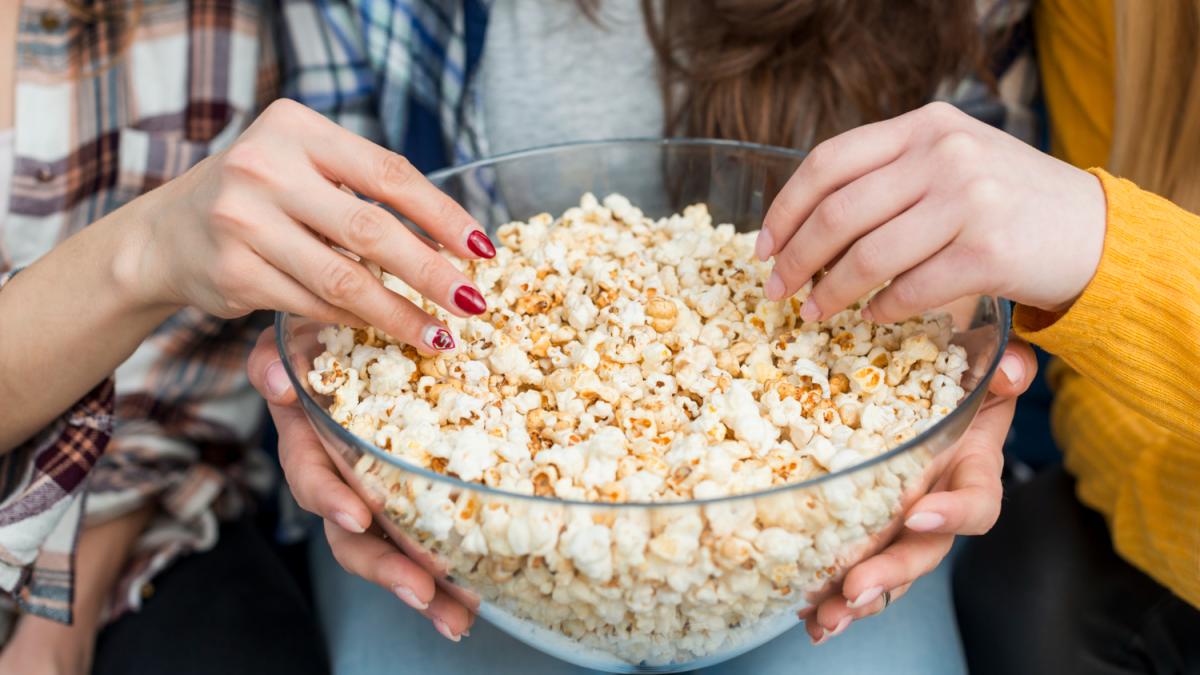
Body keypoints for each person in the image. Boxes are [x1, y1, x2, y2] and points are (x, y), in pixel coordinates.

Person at [247, 0, 1037, 672]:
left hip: (821, 540)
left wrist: (945, 393)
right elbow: (329, 242)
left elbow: (966, 220)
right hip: (458, 540)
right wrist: (325, 349)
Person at [0, 1, 498, 672]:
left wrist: (69, 596)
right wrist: (143, 249)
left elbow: (186, 373)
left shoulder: (248, 26)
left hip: (140, 503)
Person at [755, 0, 1200, 670]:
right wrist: (933, 398)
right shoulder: (1126, 17)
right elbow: (1101, 380)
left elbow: (1080, 257)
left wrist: (1099, 245)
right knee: (1023, 580)